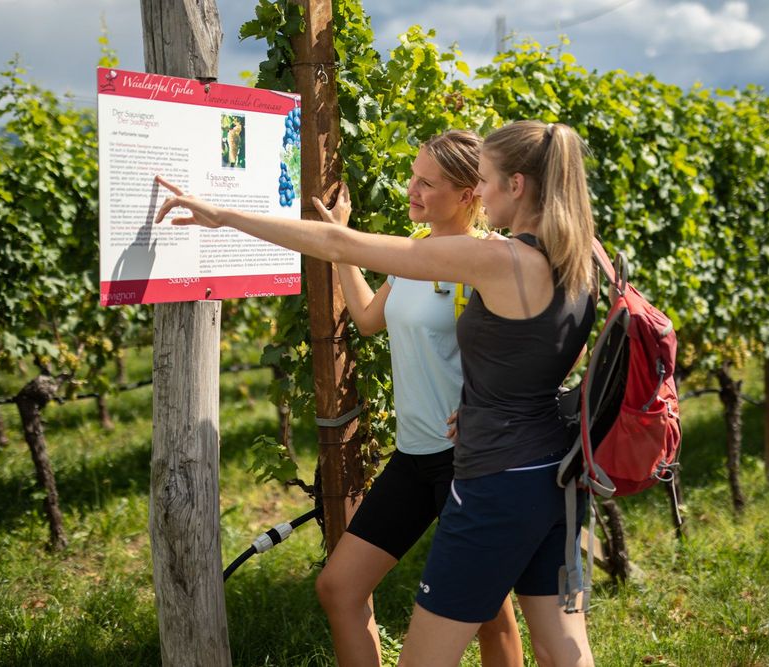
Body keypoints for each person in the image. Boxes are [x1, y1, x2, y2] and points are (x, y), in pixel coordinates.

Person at [155, 119, 597, 666]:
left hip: (495, 476)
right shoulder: (582, 255)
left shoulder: (495, 258)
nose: (480, 193)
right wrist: (499, 402)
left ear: (517, 185)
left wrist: (224, 215)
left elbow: (342, 243)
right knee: (562, 651)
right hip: (554, 472)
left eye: (484, 180)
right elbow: (565, 353)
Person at [313, 129, 523, 667]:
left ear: (468, 194)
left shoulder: (488, 261)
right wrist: (341, 242)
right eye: (413, 176)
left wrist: (488, 407)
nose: (412, 189)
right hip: (413, 457)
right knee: (339, 589)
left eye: (427, 183)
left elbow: (540, 350)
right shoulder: (415, 251)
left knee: (490, 616)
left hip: (468, 463)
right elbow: (368, 319)